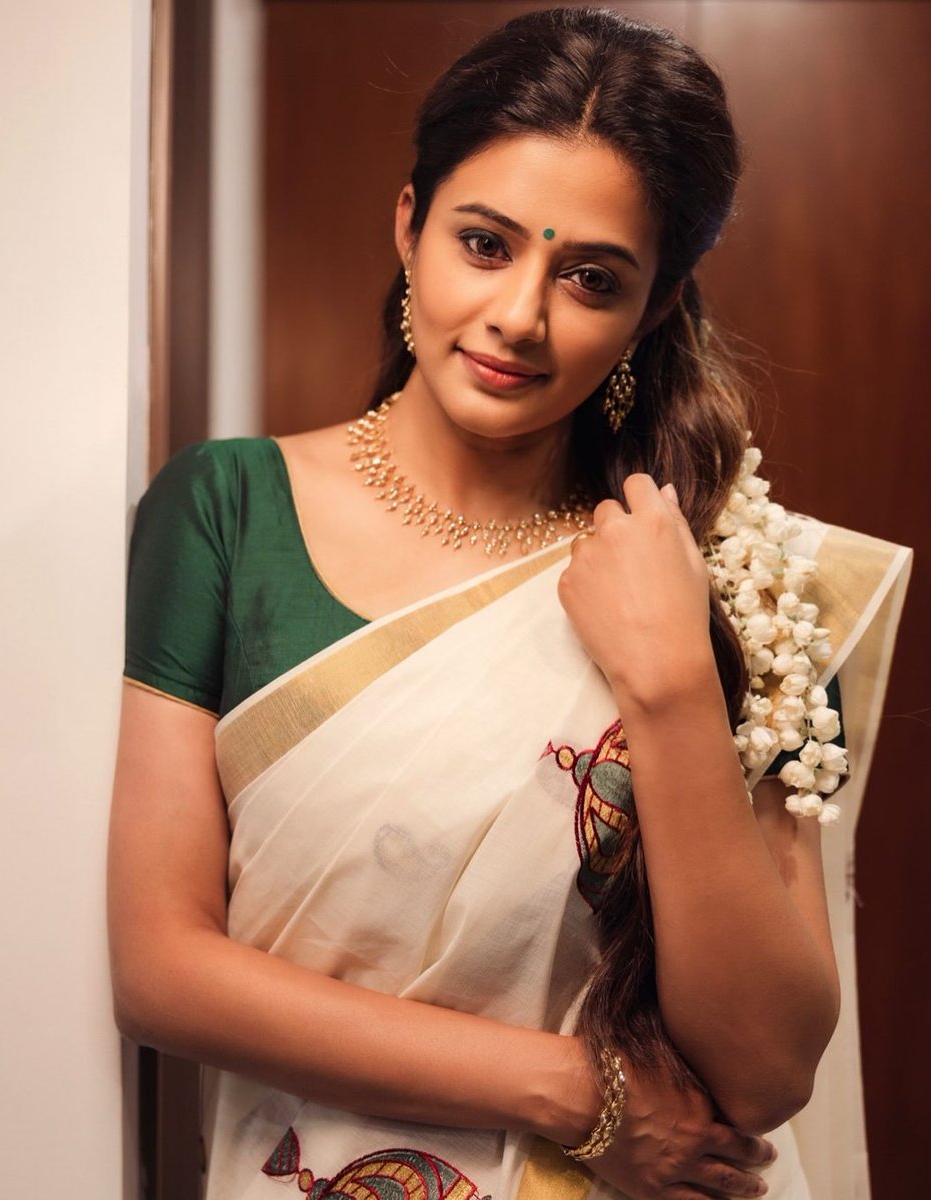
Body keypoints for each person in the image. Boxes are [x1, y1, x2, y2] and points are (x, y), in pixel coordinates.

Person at [108, 8, 910, 1199]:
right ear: (408, 223)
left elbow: (764, 1069)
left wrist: (670, 685)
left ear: (653, 306)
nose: (519, 315)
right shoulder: (225, 511)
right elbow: (162, 969)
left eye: (590, 277)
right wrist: (574, 1093)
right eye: (482, 244)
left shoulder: (735, 575)